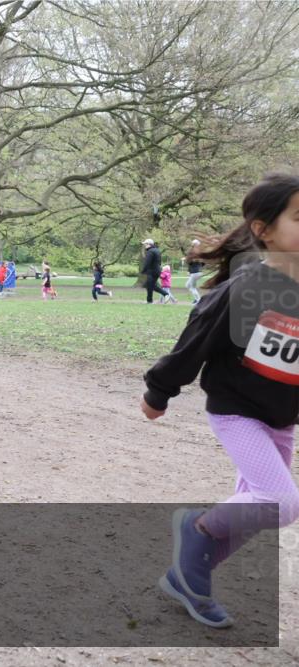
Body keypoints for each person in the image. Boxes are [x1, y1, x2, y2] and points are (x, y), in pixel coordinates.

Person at [141, 173, 299, 628]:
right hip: (236, 411)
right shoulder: (247, 289)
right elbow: (195, 342)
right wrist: (160, 390)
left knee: (251, 506)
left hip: (280, 418)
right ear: (263, 229)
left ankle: (186, 576)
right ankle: (196, 527)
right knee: (281, 503)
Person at [140, 239, 170, 304]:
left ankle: (165, 294)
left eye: (145, 244)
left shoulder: (150, 251)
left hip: (152, 271)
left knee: (150, 285)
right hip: (157, 271)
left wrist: (143, 270)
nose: (144, 245)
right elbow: (159, 262)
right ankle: (151, 300)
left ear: (149, 244)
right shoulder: (157, 250)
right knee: (150, 285)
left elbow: (147, 262)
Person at [185, 240, 204, 304]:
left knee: (192, 287)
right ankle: (196, 299)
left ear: (193, 244)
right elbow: (203, 262)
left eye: (192, 244)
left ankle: (198, 300)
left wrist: (186, 260)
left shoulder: (192, 252)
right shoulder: (200, 252)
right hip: (199, 272)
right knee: (188, 285)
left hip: (195, 272)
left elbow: (189, 262)